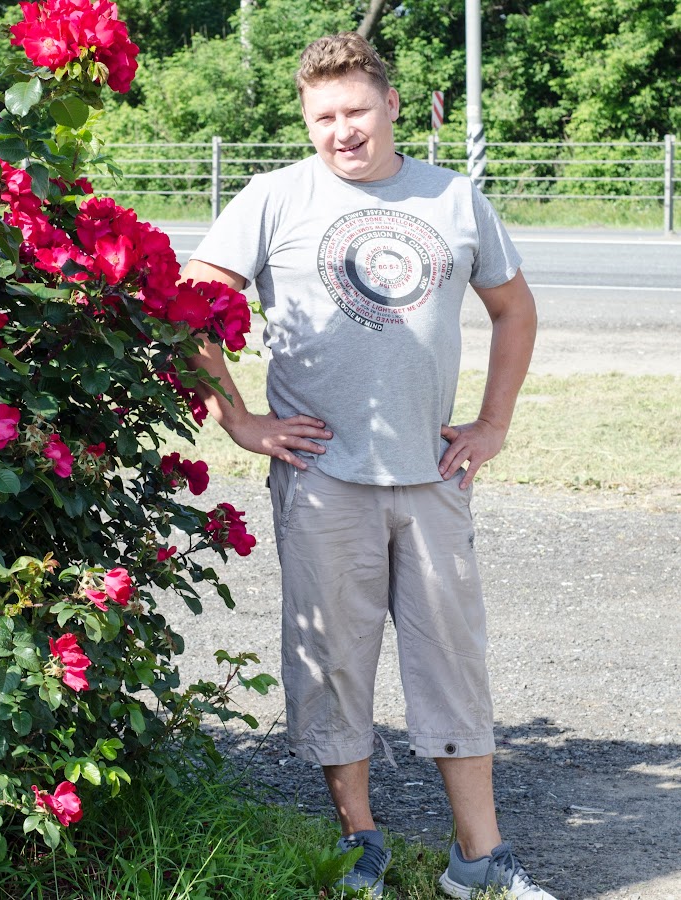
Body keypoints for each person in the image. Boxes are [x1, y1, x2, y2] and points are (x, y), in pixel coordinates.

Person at [181, 31, 556, 900]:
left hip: (431, 478)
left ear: (390, 106)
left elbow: (514, 311)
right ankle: (361, 843)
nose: (341, 130)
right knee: (333, 663)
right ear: (306, 120)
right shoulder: (273, 199)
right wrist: (239, 418)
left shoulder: (454, 199)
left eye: (355, 111)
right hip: (322, 479)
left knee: (452, 660)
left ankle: (480, 863)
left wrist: (493, 424)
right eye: (323, 116)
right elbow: (191, 302)